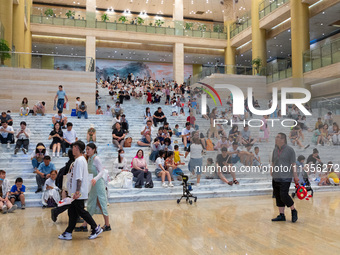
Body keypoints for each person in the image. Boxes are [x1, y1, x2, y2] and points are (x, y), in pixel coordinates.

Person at [58, 141, 103, 240]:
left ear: (77, 148)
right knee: (72, 212)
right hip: (76, 192)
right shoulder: (81, 159)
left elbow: (79, 178)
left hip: (78, 192)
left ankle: (96, 228)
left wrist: (77, 192)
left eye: (73, 147)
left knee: (81, 211)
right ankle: (68, 232)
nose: (72, 149)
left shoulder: (79, 160)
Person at [75, 143, 111, 232]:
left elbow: (101, 171)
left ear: (94, 149)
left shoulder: (96, 158)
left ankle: (107, 225)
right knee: (91, 203)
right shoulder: (89, 159)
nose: (87, 151)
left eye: (88, 149)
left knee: (102, 203)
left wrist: (95, 178)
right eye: (86, 149)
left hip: (98, 184)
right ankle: (84, 225)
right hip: (93, 184)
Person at [271, 133, 299, 223]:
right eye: (276, 137)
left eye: (278, 137)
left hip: (286, 177)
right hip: (276, 176)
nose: (276, 138)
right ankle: (281, 215)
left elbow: (293, 164)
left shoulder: (290, 150)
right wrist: (271, 169)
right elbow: (273, 162)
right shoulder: (275, 150)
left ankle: (293, 210)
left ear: (283, 140)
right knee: (278, 196)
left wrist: (295, 176)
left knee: (284, 195)